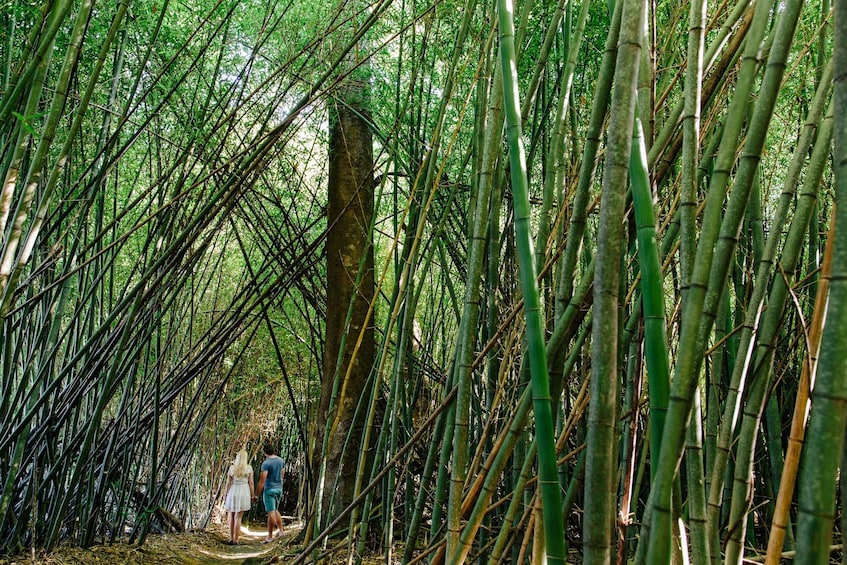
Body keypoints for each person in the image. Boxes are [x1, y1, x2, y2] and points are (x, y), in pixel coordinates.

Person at [253, 442, 285, 543]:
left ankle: (270, 537)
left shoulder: (266, 463)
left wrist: (256, 494)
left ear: (264, 452)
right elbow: (282, 475)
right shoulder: (281, 460)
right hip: (279, 488)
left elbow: (262, 480)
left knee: (271, 513)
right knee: (275, 510)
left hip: (269, 489)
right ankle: (281, 531)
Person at [223, 449, 254, 545]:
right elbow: (251, 483)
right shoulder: (248, 468)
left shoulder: (232, 468)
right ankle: (236, 540)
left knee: (232, 515)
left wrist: (225, 494)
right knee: (238, 517)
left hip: (233, 490)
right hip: (243, 491)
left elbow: (228, 483)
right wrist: (253, 495)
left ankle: (231, 538)